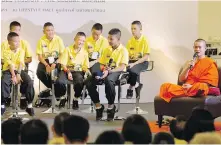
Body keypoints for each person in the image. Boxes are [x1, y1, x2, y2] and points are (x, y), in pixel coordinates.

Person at [85, 28, 129, 121]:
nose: (109, 41)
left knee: (109, 80)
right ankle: (98, 106)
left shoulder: (123, 50)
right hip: (106, 71)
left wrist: (110, 71)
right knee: (89, 81)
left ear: (118, 39)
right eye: (108, 38)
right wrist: (103, 70)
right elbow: (101, 64)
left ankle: (110, 107)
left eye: (111, 39)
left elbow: (122, 67)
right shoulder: (107, 49)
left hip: (118, 72)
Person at [1, 32, 35, 116]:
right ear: (9, 42)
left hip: (19, 71)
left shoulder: (21, 51)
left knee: (29, 81)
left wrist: (18, 74)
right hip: (8, 71)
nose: (18, 43)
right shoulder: (5, 52)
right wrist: (13, 76)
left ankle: (29, 105)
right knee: (4, 82)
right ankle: (3, 104)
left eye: (18, 41)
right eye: (15, 41)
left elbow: (20, 63)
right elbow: (10, 65)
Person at [55, 32, 90, 109]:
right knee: (59, 82)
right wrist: (68, 72)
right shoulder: (67, 49)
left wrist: (87, 71)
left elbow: (85, 66)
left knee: (80, 82)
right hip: (66, 70)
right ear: (75, 39)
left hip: (78, 72)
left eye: (83, 41)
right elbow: (63, 64)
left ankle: (75, 99)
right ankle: (63, 97)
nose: (81, 42)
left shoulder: (85, 52)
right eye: (79, 40)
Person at [36, 22, 65, 90]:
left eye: (52, 30)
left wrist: (55, 63)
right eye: (48, 30)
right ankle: (52, 88)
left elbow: (63, 55)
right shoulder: (41, 40)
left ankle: (61, 91)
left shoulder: (58, 39)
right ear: (44, 31)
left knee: (57, 73)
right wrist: (46, 65)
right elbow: (40, 57)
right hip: (45, 60)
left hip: (57, 59)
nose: (50, 32)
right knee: (39, 72)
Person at [126, 21, 150, 98]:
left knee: (132, 69)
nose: (133, 31)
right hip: (132, 62)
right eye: (132, 29)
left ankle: (131, 87)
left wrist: (134, 64)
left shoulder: (145, 40)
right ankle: (137, 84)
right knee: (124, 69)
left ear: (140, 29)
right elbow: (127, 55)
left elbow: (146, 56)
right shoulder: (130, 41)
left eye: (135, 29)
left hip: (143, 62)